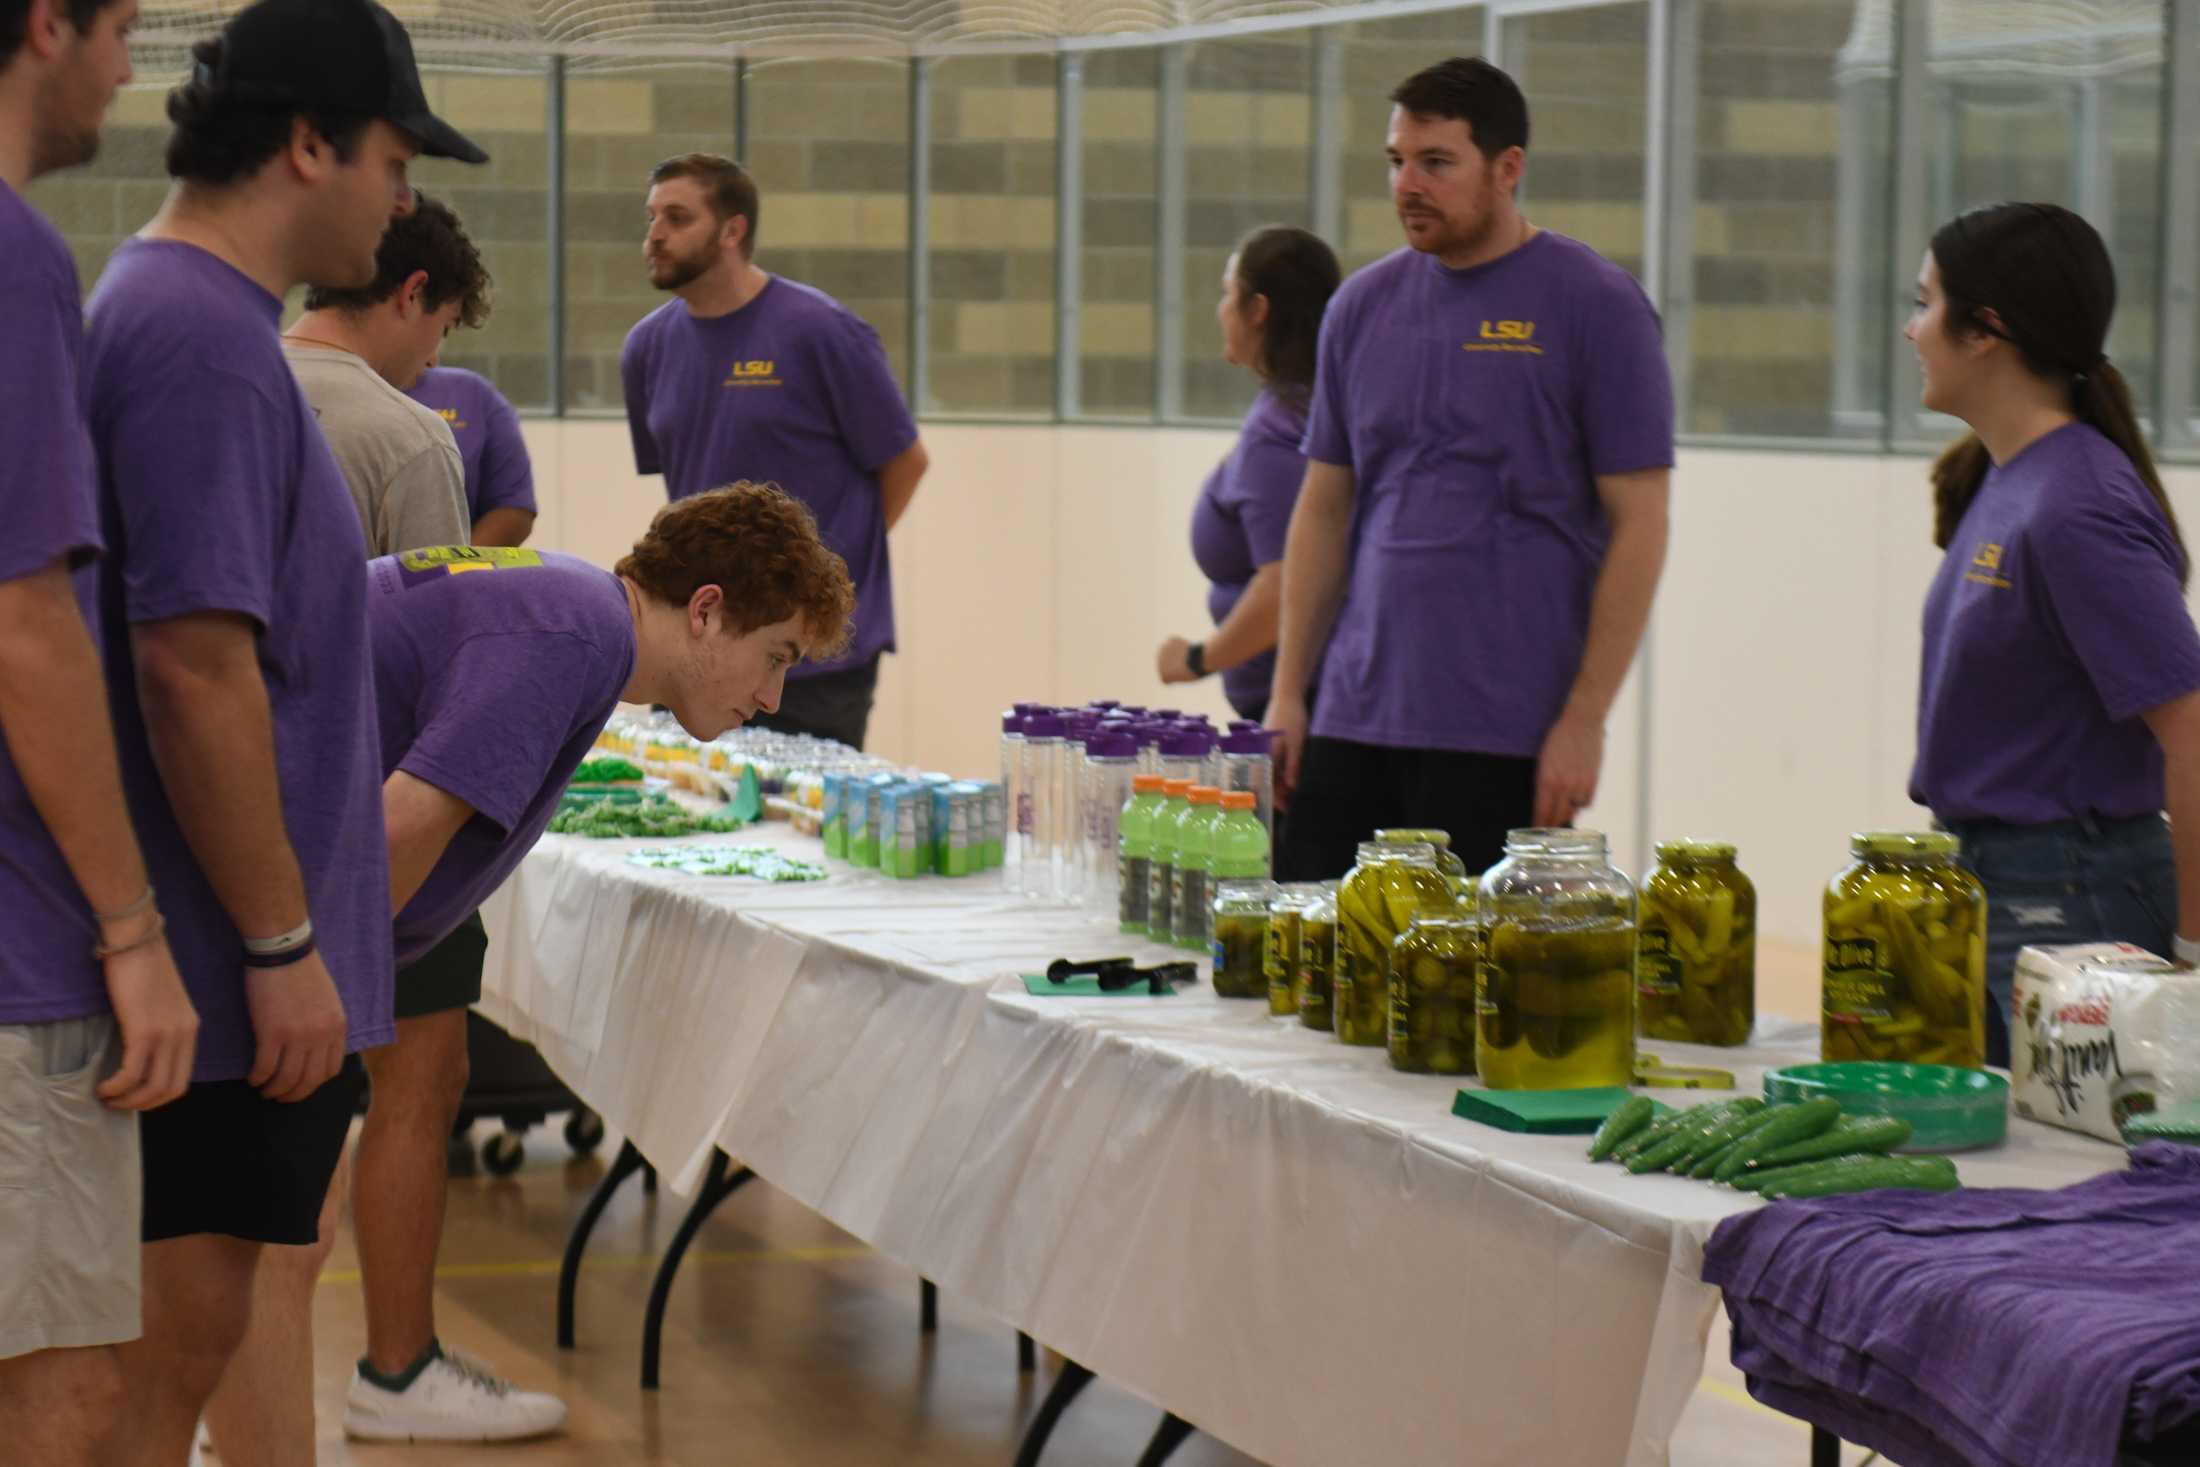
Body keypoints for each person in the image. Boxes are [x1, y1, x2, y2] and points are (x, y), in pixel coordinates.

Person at [78, 0, 484, 1459]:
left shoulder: (202, 328)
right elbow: (194, 668)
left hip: (223, 966)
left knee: (177, 1359)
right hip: (217, 971)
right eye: (390, 155)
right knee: (151, 1367)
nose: (400, 193)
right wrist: (278, 941)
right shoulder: (193, 339)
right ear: (308, 146)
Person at [341, 486, 849, 1445]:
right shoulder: (570, 640)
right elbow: (392, 834)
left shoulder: (577, 612)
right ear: (705, 610)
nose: (773, 697)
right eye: (774, 656)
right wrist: (312, 1015)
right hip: (240, 898)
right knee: (271, 1236)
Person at [1267, 56, 1673, 881]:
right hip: (1355, 713)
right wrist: (1287, 692)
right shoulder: (1360, 308)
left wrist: (1584, 718)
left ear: (1508, 168)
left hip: (1501, 728)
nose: (1407, 184)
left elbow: (1641, 522)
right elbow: (1324, 508)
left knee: (1466, 996)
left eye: (1436, 163)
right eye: (1396, 162)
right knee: (1312, 978)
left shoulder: (1594, 304)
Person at [0, 2, 201, 1462]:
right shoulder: (15, 259)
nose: (133, 71)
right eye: (122, 27)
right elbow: (26, 626)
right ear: (45, 22)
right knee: (59, 1383)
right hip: (21, 950)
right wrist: (132, 927)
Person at [1905, 202, 2200, 1067]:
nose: (1911, 328)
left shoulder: (2078, 505)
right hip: (1994, 881)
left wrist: (2191, 947)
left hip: (2072, 900)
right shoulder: (2005, 480)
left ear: (1986, 329)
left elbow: (2190, 730)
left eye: (1925, 303)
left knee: (2077, 1186)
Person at [620, 152, 928, 749]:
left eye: (677, 218)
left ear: (732, 230)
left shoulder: (821, 332)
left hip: (811, 661)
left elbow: (905, 463)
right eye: (652, 217)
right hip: (697, 647)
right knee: (691, 821)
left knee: (801, 831)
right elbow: (688, 495)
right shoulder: (646, 348)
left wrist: (811, 581)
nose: (655, 235)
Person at [1157, 223, 1342, 725]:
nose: (1220, 312)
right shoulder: (1323, 406)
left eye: (1227, 294)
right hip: (1316, 698)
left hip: (1302, 709)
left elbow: (1287, 583)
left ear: (1257, 310)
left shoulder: (1278, 430)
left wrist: (1198, 658)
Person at [281, 188, 482, 556]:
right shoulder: (414, 441)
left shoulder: (218, 385)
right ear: (414, 291)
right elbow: (435, 610)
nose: (433, 359)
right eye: (445, 327)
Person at [408, 360, 538, 546]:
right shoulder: (356, 397)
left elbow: (513, 504)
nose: (433, 357)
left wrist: (456, 569)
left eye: (446, 331)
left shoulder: (471, 394)